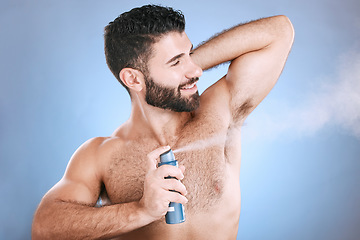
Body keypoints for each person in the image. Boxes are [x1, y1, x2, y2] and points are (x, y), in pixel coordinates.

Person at [32, 4, 294, 240]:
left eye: (189, 54)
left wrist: (182, 69)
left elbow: (279, 31)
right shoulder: (101, 154)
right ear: (134, 79)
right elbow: (44, 228)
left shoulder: (220, 110)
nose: (197, 71)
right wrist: (140, 211)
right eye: (175, 62)